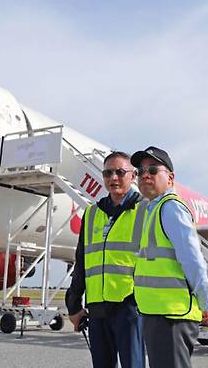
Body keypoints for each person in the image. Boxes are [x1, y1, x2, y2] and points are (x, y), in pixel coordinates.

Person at [130, 147, 208, 368]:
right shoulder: (152, 209)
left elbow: (193, 261)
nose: (145, 174)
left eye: (152, 169)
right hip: (158, 313)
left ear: (170, 178)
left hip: (172, 316)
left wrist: (205, 304)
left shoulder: (171, 209)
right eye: (140, 171)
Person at [65, 151, 146, 368]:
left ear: (133, 175)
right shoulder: (92, 214)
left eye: (120, 172)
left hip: (130, 308)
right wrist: (73, 304)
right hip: (97, 309)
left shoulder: (145, 211)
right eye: (108, 173)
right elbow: (81, 261)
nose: (114, 178)